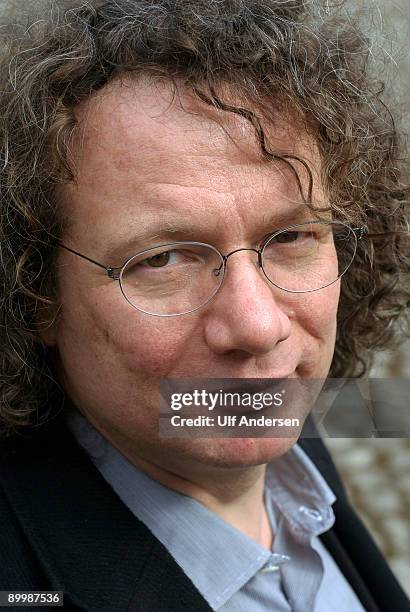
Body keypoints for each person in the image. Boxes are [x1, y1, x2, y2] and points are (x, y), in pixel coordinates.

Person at [0, 1, 409, 610]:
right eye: (162, 260)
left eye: (293, 237)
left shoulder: (262, 426)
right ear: (36, 294)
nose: (257, 326)